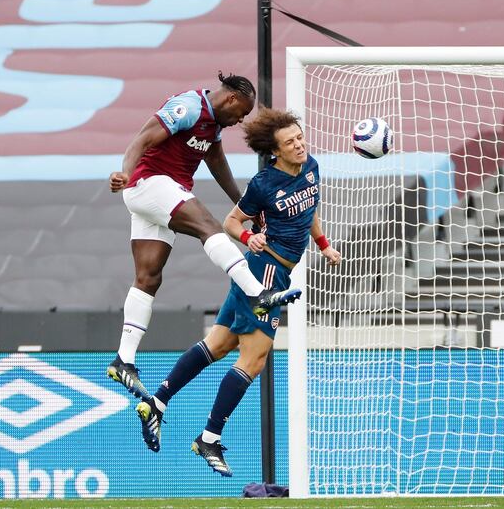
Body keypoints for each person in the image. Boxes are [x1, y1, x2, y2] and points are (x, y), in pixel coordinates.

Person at [135, 108, 342, 477]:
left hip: (278, 273)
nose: (299, 144)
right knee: (255, 359)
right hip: (263, 274)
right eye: (290, 141)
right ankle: (209, 437)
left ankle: (158, 401)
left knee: (219, 345)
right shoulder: (264, 184)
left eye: (299, 137)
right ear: (274, 151)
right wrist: (250, 237)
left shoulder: (310, 165)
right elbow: (231, 222)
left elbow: (310, 208)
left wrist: (323, 245)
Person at [106, 73, 302, 403]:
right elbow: (141, 139)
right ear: (231, 99)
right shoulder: (188, 107)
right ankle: (257, 294)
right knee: (209, 227)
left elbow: (216, 162)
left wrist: (245, 205)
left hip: (155, 194)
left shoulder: (213, 126)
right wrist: (125, 172)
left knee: (149, 277)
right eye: (242, 112)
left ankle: (123, 359)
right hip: (151, 184)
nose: (241, 119)